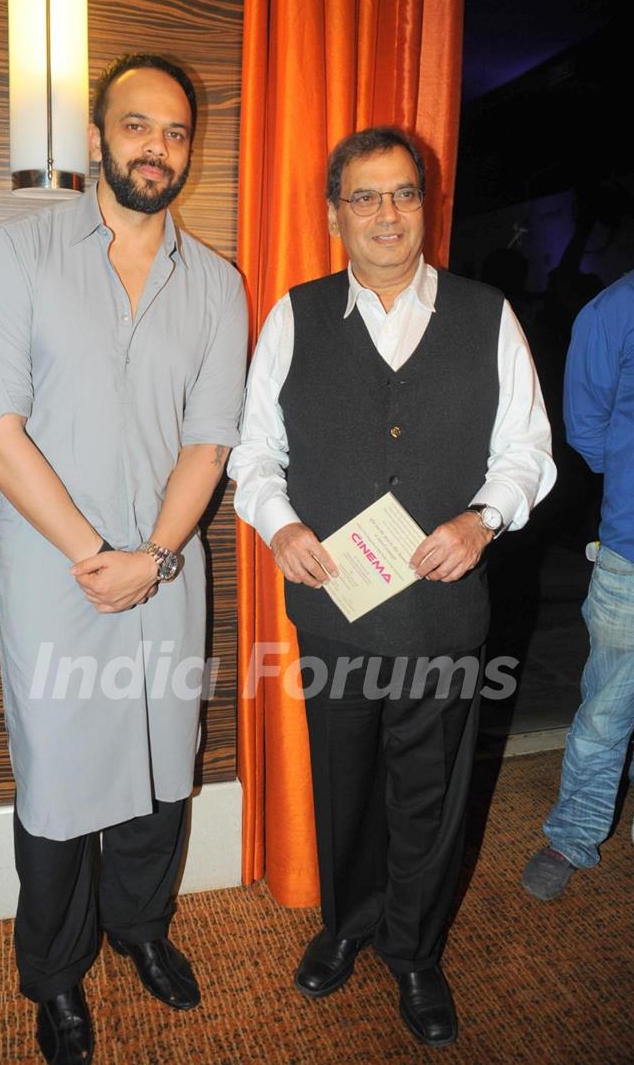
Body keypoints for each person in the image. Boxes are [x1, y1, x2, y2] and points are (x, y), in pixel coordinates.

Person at [228, 126, 555, 1048]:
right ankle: (349, 924)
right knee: (345, 783)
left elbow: (527, 450)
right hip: (335, 606)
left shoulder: (489, 315)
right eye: (365, 197)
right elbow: (255, 448)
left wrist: (483, 519)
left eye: (403, 194)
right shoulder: (294, 315)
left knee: (430, 792)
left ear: (426, 207)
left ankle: (413, 952)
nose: (386, 213)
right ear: (335, 214)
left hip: (444, 612)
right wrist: (279, 522)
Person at [0, 53, 247, 1065]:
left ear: (187, 150)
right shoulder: (19, 252)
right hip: (56, 581)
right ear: (95, 136)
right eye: (135, 126)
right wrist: (98, 556)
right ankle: (53, 975)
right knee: (62, 783)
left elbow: (211, 442)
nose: (155, 147)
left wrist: (155, 557)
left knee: (165, 769)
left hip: (166, 577)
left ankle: (140, 930)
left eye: (173, 131)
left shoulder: (217, 284)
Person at [522, 271, 634, 901]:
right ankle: (573, 835)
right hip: (631, 550)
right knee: (606, 712)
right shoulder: (614, 309)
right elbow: (587, 432)